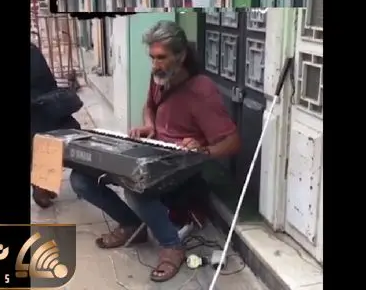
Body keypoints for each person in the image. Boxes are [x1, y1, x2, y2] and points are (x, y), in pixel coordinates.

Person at [69, 21, 240, 282]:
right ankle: (132, 225)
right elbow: (149, 107)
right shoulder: (159, 78)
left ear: (181, 55)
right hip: (153, 152)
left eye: (161, 57)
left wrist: (203, 149)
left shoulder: (202, 90)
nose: (155, 65)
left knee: (137, 187)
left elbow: (233, 142)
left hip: (182, 163)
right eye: (152, 57)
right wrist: (150, 125)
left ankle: (172, 246)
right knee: (80, 179)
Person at [31, 42, 82, 208]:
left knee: (69, 132)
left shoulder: (32, 50)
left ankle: (45, 182)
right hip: (38, 112)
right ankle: (41, 184)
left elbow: (47, 83)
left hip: (45, 106)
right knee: (43, 136)